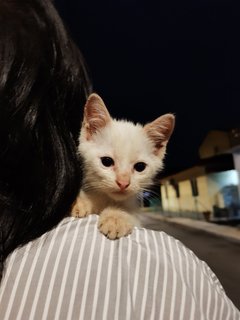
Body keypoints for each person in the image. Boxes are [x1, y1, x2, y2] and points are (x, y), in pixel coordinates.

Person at [0, 1, 239, 319]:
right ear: (88, 133)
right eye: (108, 162)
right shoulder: (178, 270)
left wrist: (117, 212)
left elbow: (127, 212)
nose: (124, 180)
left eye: (139, 167)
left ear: (158, 151)